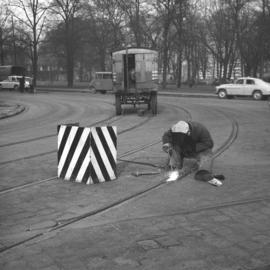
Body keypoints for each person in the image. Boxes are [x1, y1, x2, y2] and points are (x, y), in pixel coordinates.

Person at [162, 120, 224, 186]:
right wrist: (166, 144)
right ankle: (174, 166)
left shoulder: (200, 129)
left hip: (195, 151)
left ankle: (203, 172)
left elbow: (209, 143)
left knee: (207, 153)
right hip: (182, 149)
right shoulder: (175, 129)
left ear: (188, 132)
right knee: (174, 148)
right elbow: (166, 135)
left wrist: (193, 147)